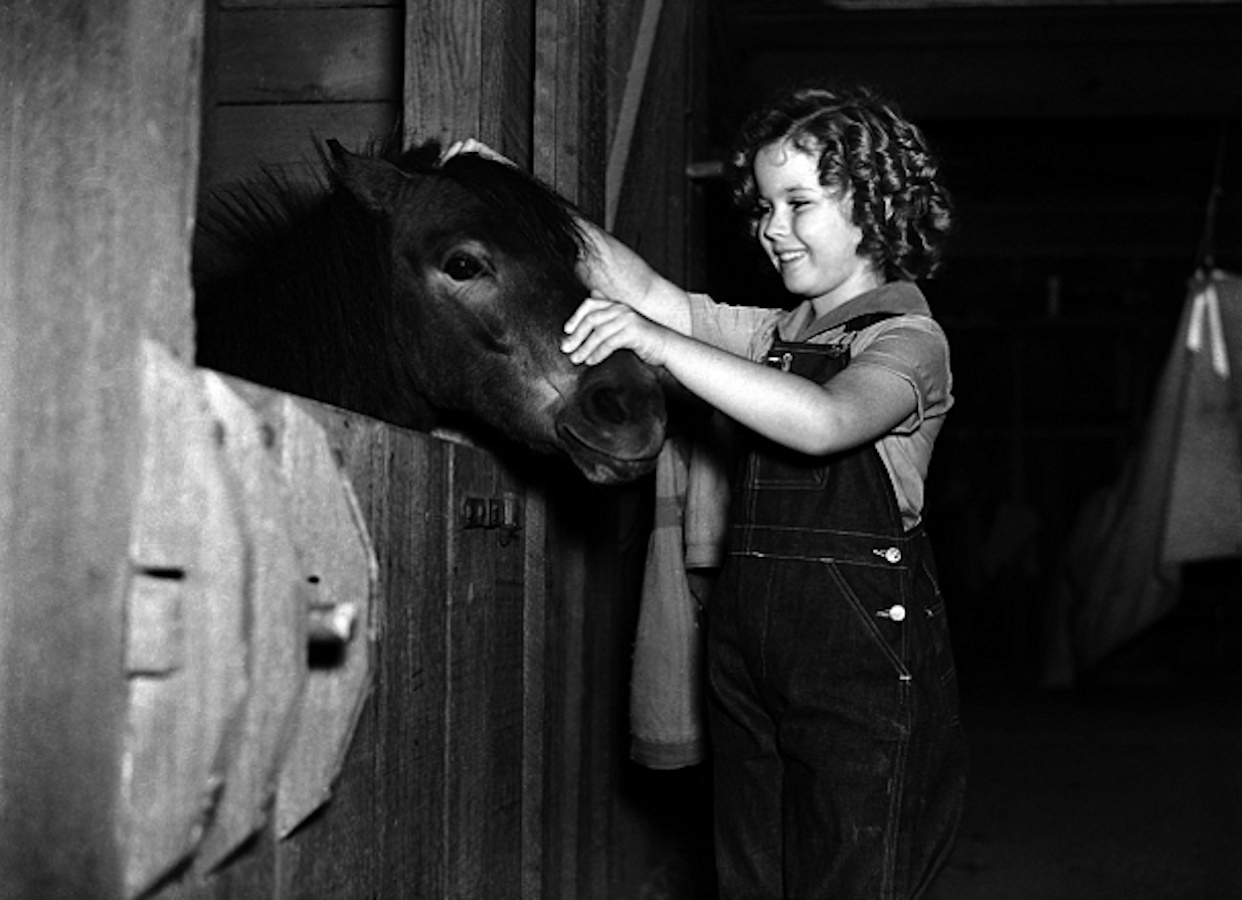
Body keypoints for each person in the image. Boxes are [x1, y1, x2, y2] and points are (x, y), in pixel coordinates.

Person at [453, 79, 967, 899]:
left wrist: (655, 345)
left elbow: (825, 420)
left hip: (860, 659)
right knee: (752, 875)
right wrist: (511, 190)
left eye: (799, 203)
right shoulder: (773, 336)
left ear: (874, 208)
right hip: (749, 646)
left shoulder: (910, 341)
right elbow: (649, 295)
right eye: (763, 207)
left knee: (857, 874)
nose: (773, 230)